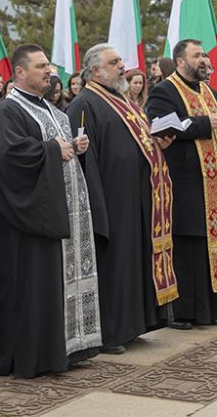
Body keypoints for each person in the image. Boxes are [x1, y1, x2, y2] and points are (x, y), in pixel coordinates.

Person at [0, 44, 101, 377]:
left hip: (57, 214)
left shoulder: (50, 109)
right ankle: (32, 356)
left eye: (48, 65)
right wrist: (52, 149)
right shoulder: (9, 111)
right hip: (29, 220)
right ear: (19, 72)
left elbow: (57, 152)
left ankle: (63, 349)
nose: (48, 71)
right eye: (40, 66)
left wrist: (75, 150)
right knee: (30, 287)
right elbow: (11, 157)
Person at [67, 44, 176, 354]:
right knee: (115, 266)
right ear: (94, 71)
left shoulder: (123, 100)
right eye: (114, 62)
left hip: (138, 197)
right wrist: (97, 207)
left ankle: (135, 325)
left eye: (120, 61)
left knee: (135, 262)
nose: (122, 66)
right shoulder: (84, 105)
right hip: (111, 201)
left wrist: (159, 145)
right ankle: (112, 332)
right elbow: (85, 162)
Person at [147, 39, 217, 327]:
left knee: (209, 244)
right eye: (197, 55)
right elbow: (160, 125)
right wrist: (203, 124)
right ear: (180, 61)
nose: (204, 60)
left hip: (216, 187)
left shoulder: (209, 90)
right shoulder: (165, 90)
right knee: (189, 246)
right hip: (186, 183)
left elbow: (215, 123)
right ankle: (185, 312)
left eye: (204, 55)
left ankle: (213, 310)